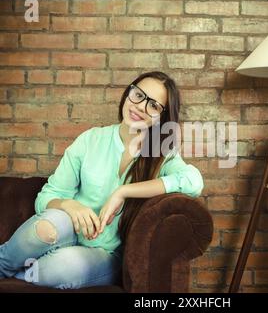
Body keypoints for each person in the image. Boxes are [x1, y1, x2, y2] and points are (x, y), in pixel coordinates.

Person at [0, 71, 204, 289]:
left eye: (153, 105)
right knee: (44, 228)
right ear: (128, 93)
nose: (140, 106)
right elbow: (47, 196)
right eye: (138, 95)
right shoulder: (91, 139)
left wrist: (123, 192)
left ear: (162, 117)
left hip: (105, 253)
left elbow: (193, 181)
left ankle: (23, 275)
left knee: (58, 268)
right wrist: (69, 205)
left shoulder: (163, 155)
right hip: (70, 228)